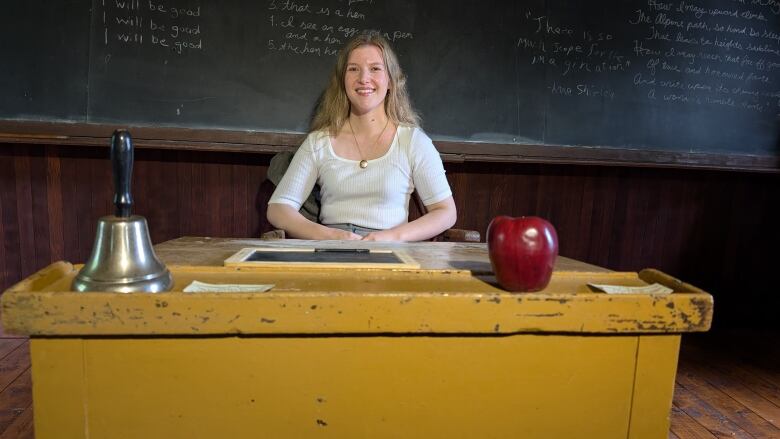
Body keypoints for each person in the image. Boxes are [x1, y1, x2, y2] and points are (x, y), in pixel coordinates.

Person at [267, 30, 457, 241]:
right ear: (343, 81)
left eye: (375, 69)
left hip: (390, 254)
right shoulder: (319, 141)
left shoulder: (413, 142)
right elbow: (278, 208)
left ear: (391, 81)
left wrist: (392, 237)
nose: (363, 79)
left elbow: (445, 212)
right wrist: (331, 236)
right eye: (353, 69)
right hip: (331, 253)